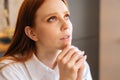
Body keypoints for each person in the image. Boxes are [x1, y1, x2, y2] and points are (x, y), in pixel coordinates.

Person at [0, 0, 92, 80]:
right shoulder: (8, 73)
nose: (66, 26)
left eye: (66, 16)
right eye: (52, 19)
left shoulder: (76, 60)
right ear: (32, 33)